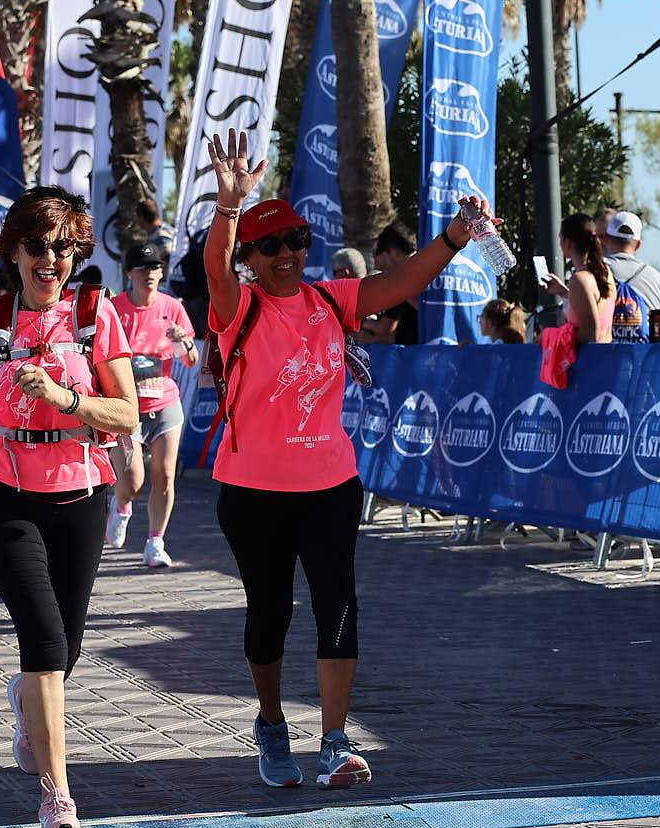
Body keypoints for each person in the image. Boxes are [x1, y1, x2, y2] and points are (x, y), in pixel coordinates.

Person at [202, 130, 493, 790]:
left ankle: (334, 740)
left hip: (329, 483)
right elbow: (215, 271)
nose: (288, 253)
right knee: (269, 610)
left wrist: (452, 235)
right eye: (271, 245)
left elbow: (404, 280)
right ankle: (272, 723)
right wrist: (228, 205)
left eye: (297, 240)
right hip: (251, 491)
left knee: (338, 604)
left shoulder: (332, 299)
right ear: (251, 256)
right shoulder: (238, 305)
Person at [0, 185, 138, 828]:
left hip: (81, 494)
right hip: (2, 498)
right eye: (41, 247)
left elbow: (126, 412)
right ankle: (57, 799)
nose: (54, 260)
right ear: (15, 252)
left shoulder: (95, 318)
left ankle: (27, 700)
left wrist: (66, 396)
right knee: (45, 641)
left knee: (65, 650)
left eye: (66, 248)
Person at [106, 240, 199, 568]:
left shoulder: (172, 308)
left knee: (165, 474)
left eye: (156, 268)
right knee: (133, 480)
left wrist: (181, 342)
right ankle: (121, 507)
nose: (150, 274)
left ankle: (155, 543)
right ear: (129, 272)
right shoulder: (114, 308)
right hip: (127, 407)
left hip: (165, 401)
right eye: (143, 268)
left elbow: (191, 359)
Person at [598, 211, 660, 341]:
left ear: (605, 239)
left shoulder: (593, 272)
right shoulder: (656, 278)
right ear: (638, 245)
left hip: (604, 358)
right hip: (643, 359)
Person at [541, 213, 616, 344]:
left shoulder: (579, 280)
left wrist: (550, 338)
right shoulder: (604, 272)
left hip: (589, 362)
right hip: (606, 358)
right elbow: (594, 307)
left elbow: (590, 334)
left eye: (560, 237)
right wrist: (564, 292)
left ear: (567, 242)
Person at [369, 223, 422, 344]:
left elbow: (383, 330)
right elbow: (384, 328)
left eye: (376, 252)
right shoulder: (398, 279)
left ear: (392, 253)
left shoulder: (419, 273)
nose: (375, 260)